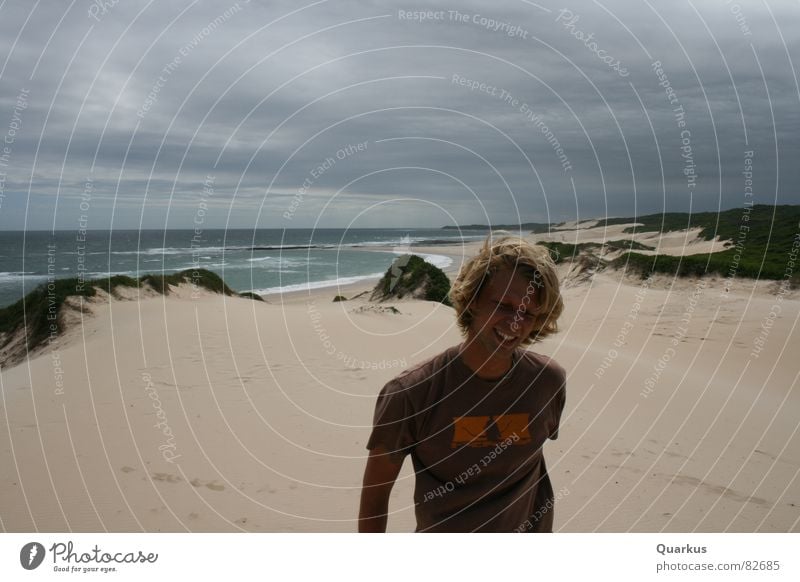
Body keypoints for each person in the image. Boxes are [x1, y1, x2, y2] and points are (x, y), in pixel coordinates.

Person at [358, 235, 566, 532]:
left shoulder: (548, 382)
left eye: (529, 313)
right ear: (473, 300)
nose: (515, 323)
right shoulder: (410, 393)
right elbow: (375, 500)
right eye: (504, 305)